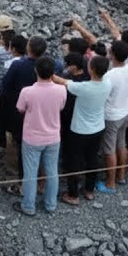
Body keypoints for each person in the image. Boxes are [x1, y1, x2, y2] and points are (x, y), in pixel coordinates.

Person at [51, 54, 111, 204]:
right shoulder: (107, 83)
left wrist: (47, 72)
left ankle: (73, 194)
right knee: (92, 159)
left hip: (79, 130)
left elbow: (63, 81)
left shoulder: (84, 87)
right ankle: (89, 190)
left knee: (74, 161)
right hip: (98, 127)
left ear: (91, 70)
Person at [13, 56, 66, 216]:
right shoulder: (61, 90)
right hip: (53, 136)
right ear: (53, 73)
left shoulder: (27, 91)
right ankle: (50, 204)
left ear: (36, 70)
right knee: (52, 171)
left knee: (30, 172)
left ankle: (29, 206)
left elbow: (20, 109)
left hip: (32, 138)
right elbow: (61, 107)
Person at [0, 35, 45, 177]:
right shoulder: (48, 65)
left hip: (19, 111)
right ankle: (39, 174)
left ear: (28, 48)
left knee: (20, 143)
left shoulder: (18, 65)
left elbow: (5, 87)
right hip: (42, 111)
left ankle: (22, 176)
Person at [100, 40, 128, 192]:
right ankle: (121, 176)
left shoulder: (109, 75)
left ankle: (110, 183)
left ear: (112, 54)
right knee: (122, 144)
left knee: (109, 149)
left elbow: (103, 94)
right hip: (125, 112)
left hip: (111, 115)